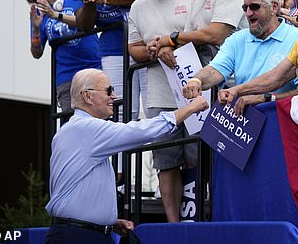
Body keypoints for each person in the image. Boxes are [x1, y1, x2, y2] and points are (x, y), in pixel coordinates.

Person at [45, 68, 207, 244]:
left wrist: (109, 221)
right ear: (87, 96)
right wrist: (190, 108)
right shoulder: (86, 129)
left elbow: (78, 189)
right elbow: (141, 131)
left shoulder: (72, 131)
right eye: (108, 90)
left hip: (82, 233)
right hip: (78, 236)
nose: (114, 96)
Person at [127, 0, 204, 222]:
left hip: (195, 88)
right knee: (166, 163)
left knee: (198, 158)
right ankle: (173, 225)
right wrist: (151, 50)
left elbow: (206, 35)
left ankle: (199, 219)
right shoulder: (138, 6)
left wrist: (170, 42)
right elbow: (132, 47)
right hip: (160, 94)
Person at [182, 0, 298, 113]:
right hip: (244, 122)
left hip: (283, 119)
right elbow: (214, 71)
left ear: (274, 7)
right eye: (245, 7)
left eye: (255, 7)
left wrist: (266, 98)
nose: (249, 13)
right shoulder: (237, 39)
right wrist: (197, 80)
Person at [22, 0, 101, 111]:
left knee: (99, 124)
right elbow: (36, 53)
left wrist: (54, 14)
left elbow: (85, 23)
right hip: (67, 77)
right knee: (72, 128)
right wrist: (37, 30)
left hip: (94, 68)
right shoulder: (38, 12)